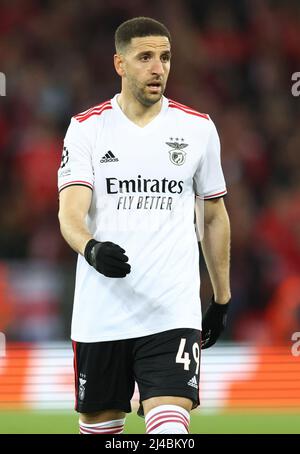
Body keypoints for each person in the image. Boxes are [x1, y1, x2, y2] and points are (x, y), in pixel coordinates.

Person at [58, 16, 231, 435]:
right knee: (101, 429)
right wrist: (92, 249)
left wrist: (222, 298)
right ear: (119, 64)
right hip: (101, 311)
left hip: (172, 308)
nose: (159, 68)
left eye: (166, 58)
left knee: (170, 429)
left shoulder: (197, 128)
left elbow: (213, 214)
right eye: (146, 57)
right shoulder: (87, 129)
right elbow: (70, 214)